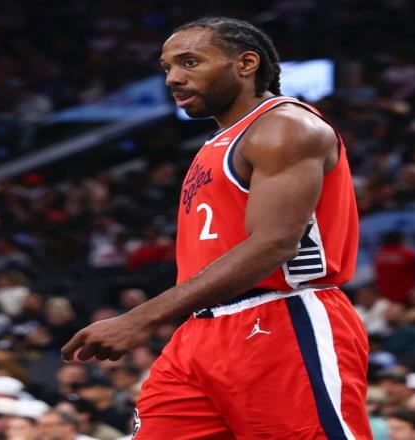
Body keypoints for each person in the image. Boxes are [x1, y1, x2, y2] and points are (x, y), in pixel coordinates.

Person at [62, 17, 371, 439]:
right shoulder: (219, 141)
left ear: (246, 64)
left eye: (190, 62)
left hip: (280, 318)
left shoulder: (284, 127)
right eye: (167, 67)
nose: (173, 78)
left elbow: (274, 243)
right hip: (202, 329)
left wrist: (140, 318)